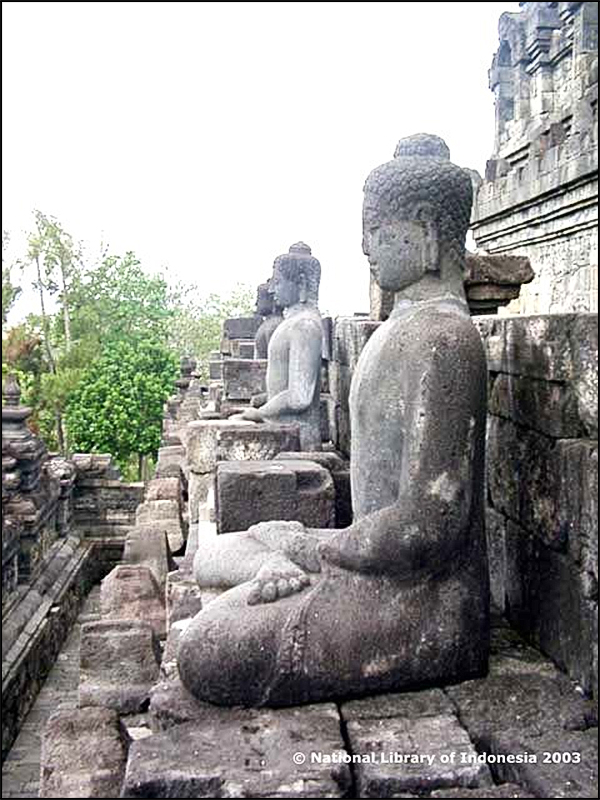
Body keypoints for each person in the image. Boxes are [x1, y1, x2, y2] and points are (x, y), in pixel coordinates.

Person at [177, 134, 490, 707]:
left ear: (422, 228)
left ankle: (279, 573)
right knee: (219, 552)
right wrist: (300, 544)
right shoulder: (401, 329)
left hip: (421, 602)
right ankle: (272, 566)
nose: (363, 245)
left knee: (205, 649)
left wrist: (319, 550)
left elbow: (430, 523)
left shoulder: (448, 340)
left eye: (373, 228)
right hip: (372, 563)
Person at [241, 242, 323, 452]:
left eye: (278, 282)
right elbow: (287, 388)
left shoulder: (305, 325)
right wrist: (265, 401)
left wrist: (260, 414)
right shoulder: (292, 323)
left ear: (301, 284)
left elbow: (300, 397)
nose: (271, 289)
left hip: (298, 440)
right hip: (284, 432)